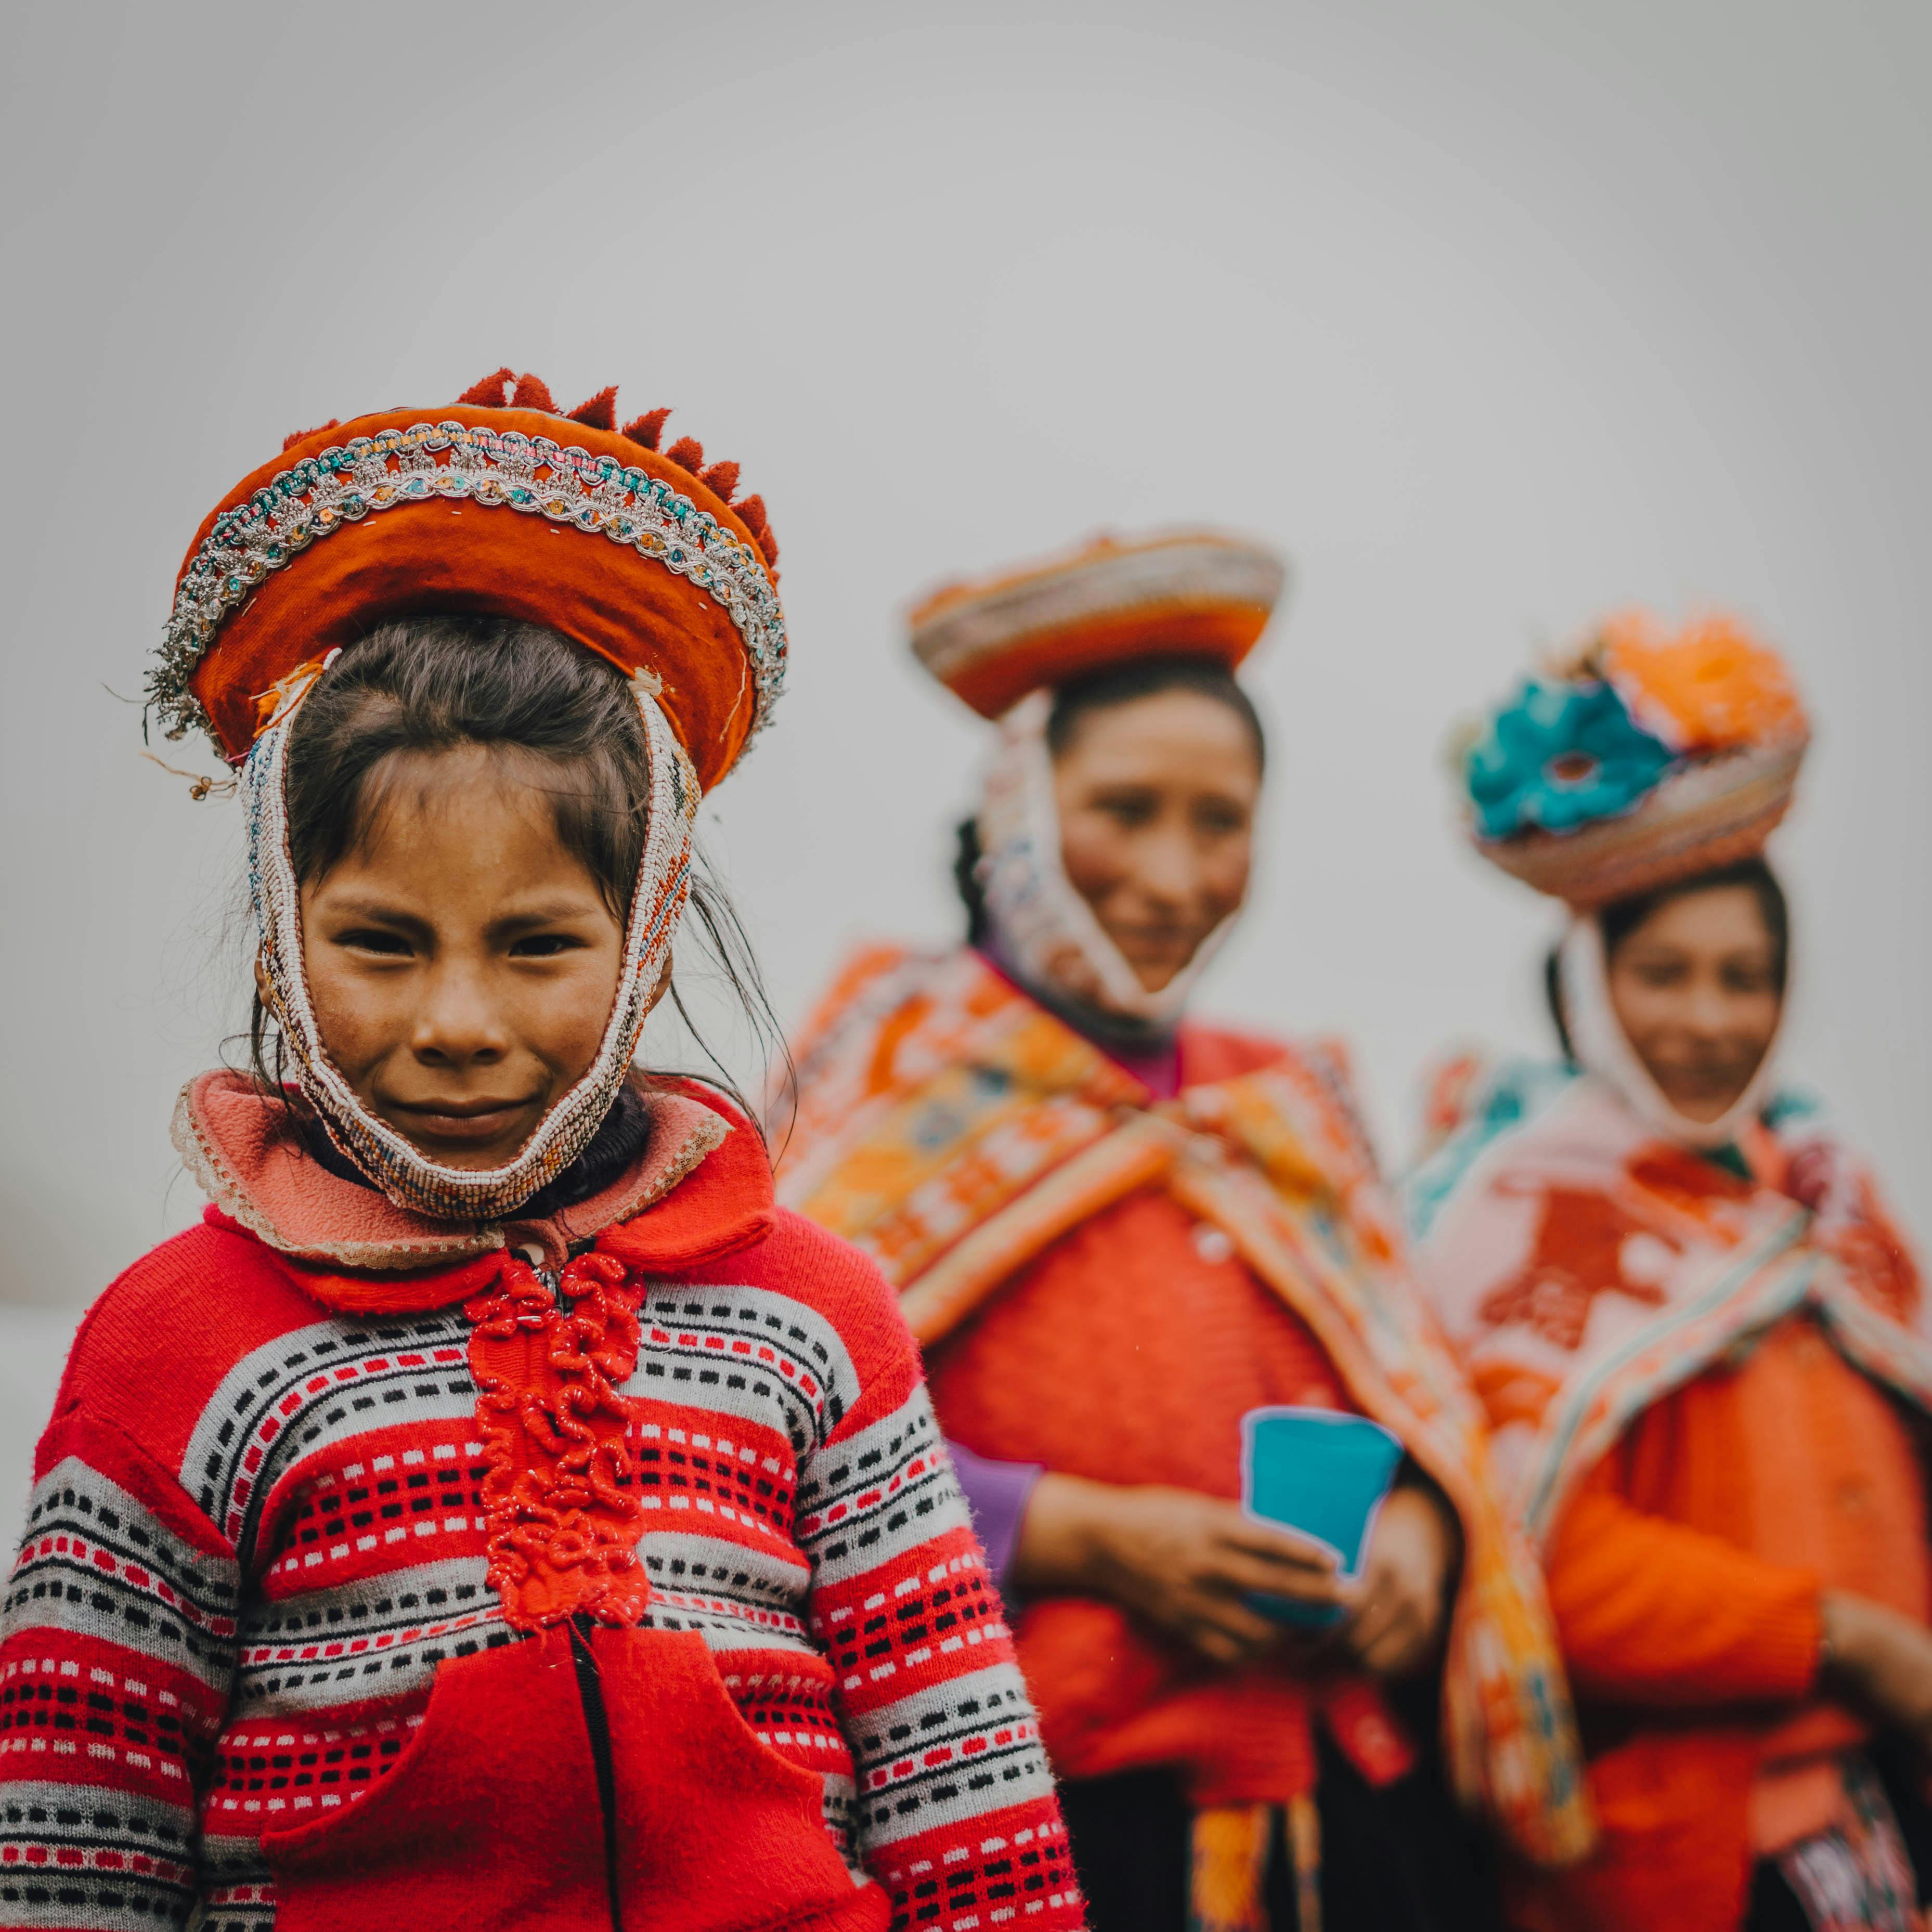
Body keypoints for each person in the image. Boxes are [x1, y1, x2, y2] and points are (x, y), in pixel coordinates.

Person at [0, 372, 1085, 1932]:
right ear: (279, 945)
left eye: (535, 944)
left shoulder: (815, 1315)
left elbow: (963, 1786)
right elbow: (71, 1838)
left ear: (645, 948)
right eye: (380, 940)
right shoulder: (174, 1349)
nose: (457, 1019)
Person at [770, 532, 1590, 1932]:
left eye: (1220, 820)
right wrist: (1075, 1533)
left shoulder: (1290, 1100)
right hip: (1043, 1809)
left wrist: (1420, 1526)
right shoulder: (886, 1073)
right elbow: (769, 1440)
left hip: (1353, 1809)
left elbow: (1413, 1393)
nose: (1173, 868)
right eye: (1124, 807)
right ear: (1015, 811)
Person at [1408, 612, 1932, 1931]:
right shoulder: (1523, 1216)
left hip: (1874, 1810)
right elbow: (1535, 1556)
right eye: (1665, 976)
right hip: (1678, 1848)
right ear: (1585, 985)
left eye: (1745, 978)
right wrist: (1852, 1644)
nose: (1711, 1018)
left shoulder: (1817, 1194)